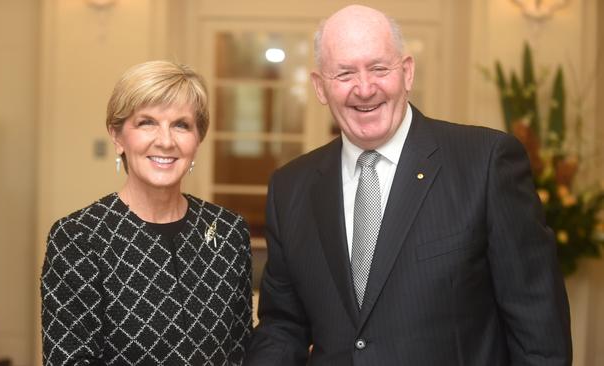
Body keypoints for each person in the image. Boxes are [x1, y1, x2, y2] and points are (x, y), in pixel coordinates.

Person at [245, 5, 571, 366]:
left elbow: (538, 329)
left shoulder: (485, 163)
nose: (364, 88)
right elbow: (283, 325)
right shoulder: (291, 188)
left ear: (407, 72)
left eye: (379, 68)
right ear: (321, 87)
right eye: (345, 73)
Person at [40, 61, 252, 365]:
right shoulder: (79, 238)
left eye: (181, 125)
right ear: (117, 136)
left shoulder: (229, 231)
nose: (165, 141)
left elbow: (241, 351)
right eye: (147, 123)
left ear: (198, 139)